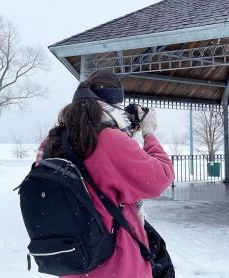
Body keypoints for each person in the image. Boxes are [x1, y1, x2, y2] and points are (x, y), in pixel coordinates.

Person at [36, 70, 175, 278]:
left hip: (73, 260)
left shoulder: (51, 142)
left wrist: (124, 135)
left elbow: (94, 171)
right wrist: (149, 133)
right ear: (112, 106)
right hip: (115, 264)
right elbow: (162, 176)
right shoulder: (107, 140)